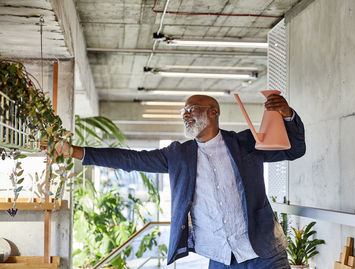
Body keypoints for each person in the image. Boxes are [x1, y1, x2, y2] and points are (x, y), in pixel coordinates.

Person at [58, 94, 305, 268]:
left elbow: (293, 151)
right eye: (183, 111)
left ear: (213, 111)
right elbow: (132, 159)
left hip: (265, 252)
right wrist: (76, 152)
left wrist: (287, 115)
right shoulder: (178, 154)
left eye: (192, 108)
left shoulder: (245, 144)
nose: (185, 114)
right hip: (221, 259)